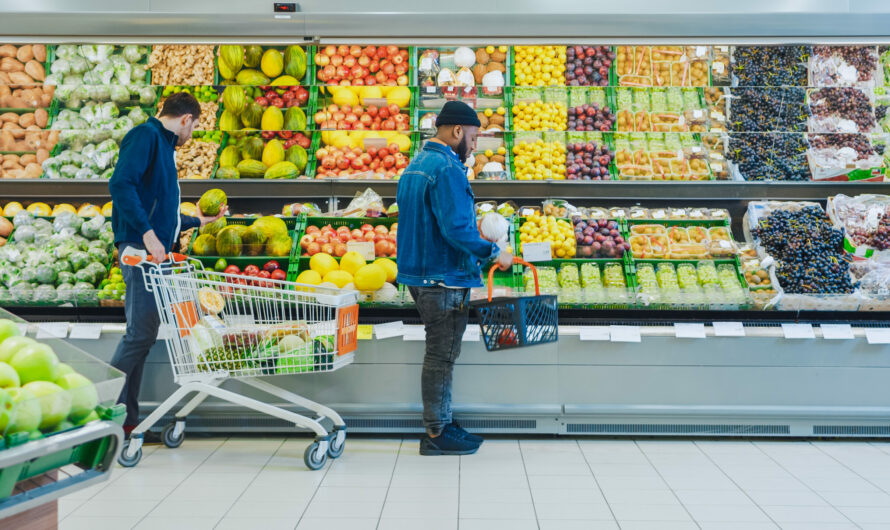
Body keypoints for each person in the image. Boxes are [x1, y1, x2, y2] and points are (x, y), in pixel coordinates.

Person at [396, 101, 513, 456]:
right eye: (474, 138)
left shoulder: (416, 164)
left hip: (421, 273)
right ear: (457, 131)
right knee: (441, 356)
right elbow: (456, 229)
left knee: (441, 353)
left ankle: (443, 420)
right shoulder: (447, 168)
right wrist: (494, 253)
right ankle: (436, 433)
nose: (475, 146)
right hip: (443, 278)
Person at [109, 92, 226, 440]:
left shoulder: (163, 146)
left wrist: (197, 222)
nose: (193, 135)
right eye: (196, 127)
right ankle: (93, 409)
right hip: (140, 253)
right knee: (138, 335)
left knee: (141, 339)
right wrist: (146, 235)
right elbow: (120, 185)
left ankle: (126, 420)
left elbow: (161, 212)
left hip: (153, 254)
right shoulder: (145, 137)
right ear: (187, 119)